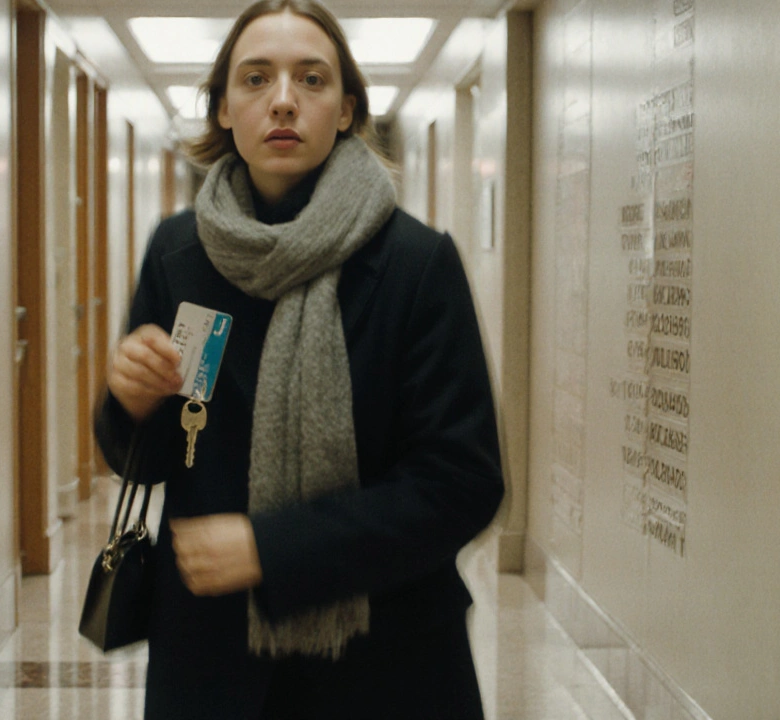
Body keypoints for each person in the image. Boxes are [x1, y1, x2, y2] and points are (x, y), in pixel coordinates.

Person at [94, 1, 505, 717]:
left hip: (387, 659)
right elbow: (155, 458)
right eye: (256, 79)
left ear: (347, 110)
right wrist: (130, 402)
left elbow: (461, 483)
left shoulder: (415, 264)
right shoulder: (177, 254)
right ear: (223, 107)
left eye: (311, 80)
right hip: (212, 658)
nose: (283, 100)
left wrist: (271, 549)